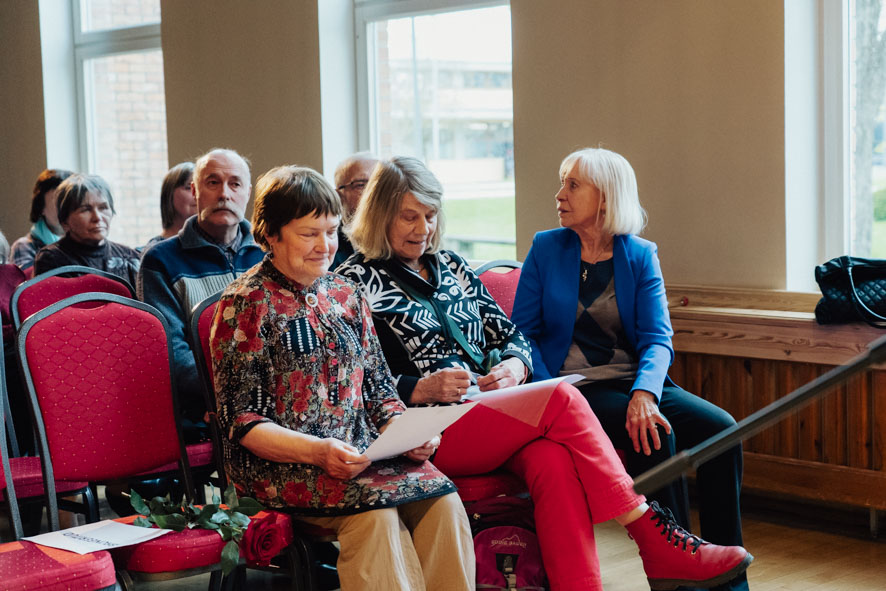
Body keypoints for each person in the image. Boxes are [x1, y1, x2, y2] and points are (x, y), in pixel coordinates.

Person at [336, 156, 753, 591]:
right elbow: (352, 381)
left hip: (487, 410)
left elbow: (512, 334)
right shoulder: (352, 283)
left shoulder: (452, 266)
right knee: (561, 396)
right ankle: (653, 537)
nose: (423, 228)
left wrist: (514, 366)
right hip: (428, 429)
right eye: (409, 217)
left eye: (430, 215)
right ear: (380, 214)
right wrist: (419, 387)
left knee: (553, 461)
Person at [211, 164, 474, 591]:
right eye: (309, 233)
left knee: (442, 498)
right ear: (271, 235)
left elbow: (381, 392)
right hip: (283, 467)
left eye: (332, 232)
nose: (325, 246)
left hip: (358, 458)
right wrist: (318, 452)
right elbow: (243, 422)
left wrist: (407, 435)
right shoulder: (246, 303)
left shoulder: (346, 294)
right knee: (375, 515)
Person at [511, 147, 749, 591]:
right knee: (656, 435)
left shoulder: (639, 254)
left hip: (634, 381)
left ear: (605, 197)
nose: (559, 194)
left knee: (722, 430)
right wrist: (550, 391)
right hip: (573, 388)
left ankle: (727, 581)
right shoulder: (546, 248)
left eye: (572, 185)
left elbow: (658, 337)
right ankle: (679, 571)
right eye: (562, 183)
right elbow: (522, 333)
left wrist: (645, 393)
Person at [138, 148, 264, 439]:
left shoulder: (267, 252)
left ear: (248, 193)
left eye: (235, 184)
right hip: (201, 411)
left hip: (269, 403)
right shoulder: (161, 260)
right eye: (213, 182)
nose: (224, 194)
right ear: (195, 191)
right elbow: (170, 347)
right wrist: (220, 395)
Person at [33, 173, 140, 286]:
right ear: (65, 221)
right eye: (85, 210)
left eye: (103, 208)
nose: (97, 218)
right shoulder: (52, 259)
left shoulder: (129, 256)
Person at [11, 169, 73, 273]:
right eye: (58, 201)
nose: (65, 208)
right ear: (41, 207)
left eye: (69, 201)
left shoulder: (87, 242)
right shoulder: (25, 247)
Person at [332, 152, 378, 269]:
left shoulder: (400, 244)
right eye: (361, 185)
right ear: (339, 196)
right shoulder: (328, 248)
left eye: (378, 184)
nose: (373, 192)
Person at [143, 162, 196, 251]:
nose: (197, 194)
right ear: (169, 194)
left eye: (200, 188)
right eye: (189, 188)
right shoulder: (156, 251)